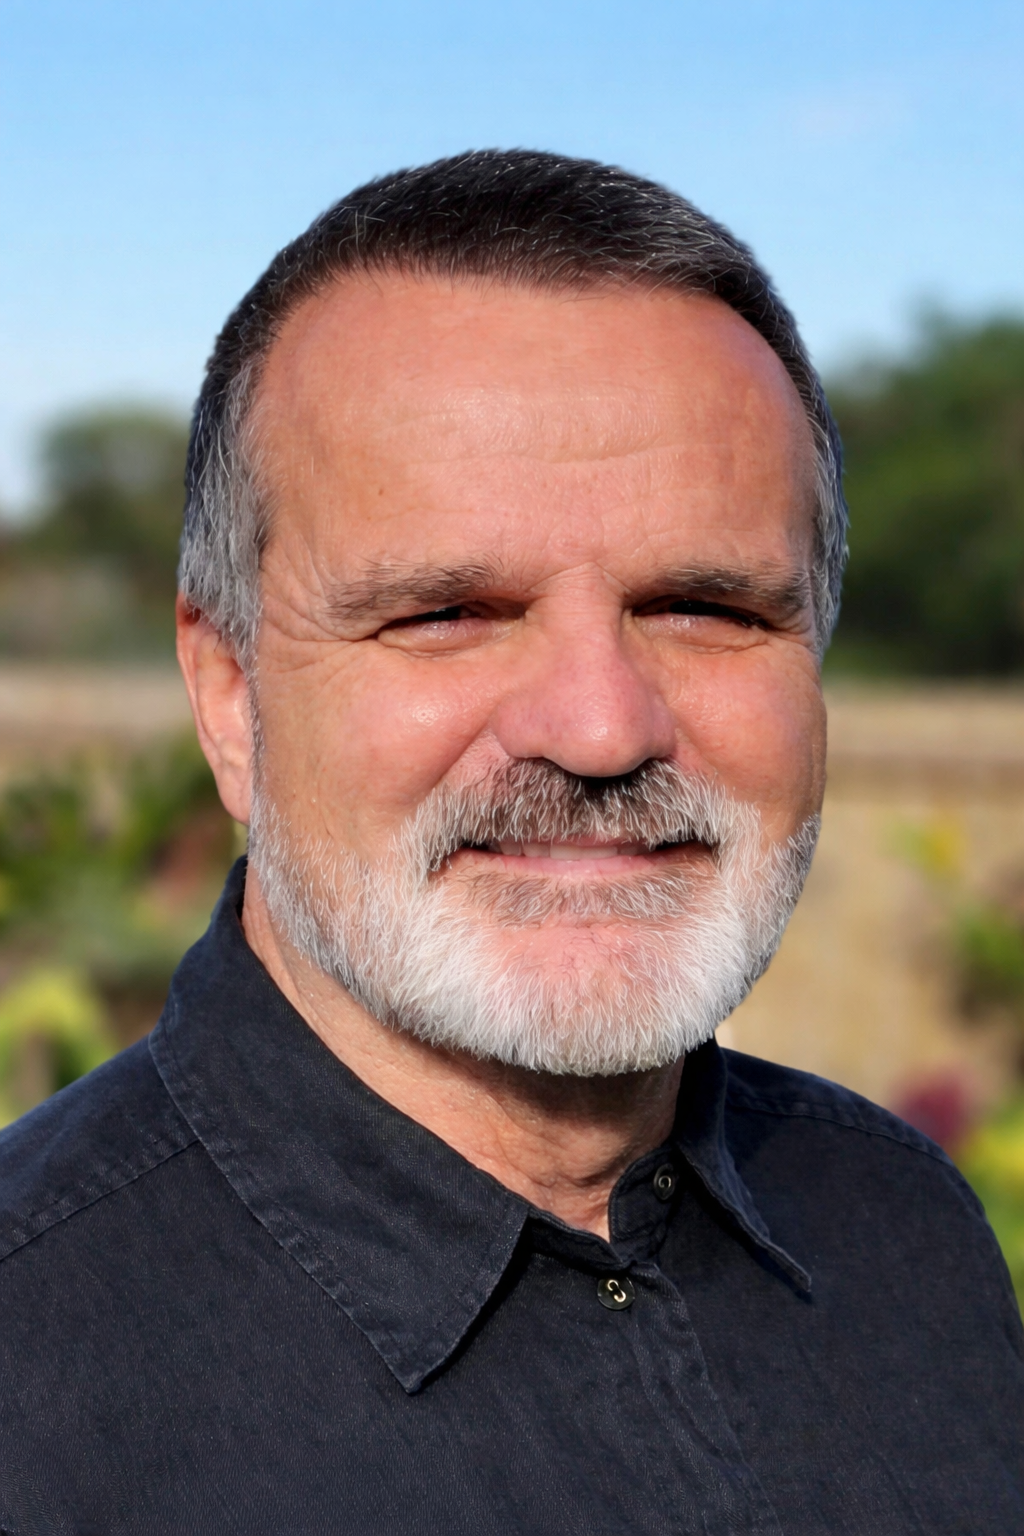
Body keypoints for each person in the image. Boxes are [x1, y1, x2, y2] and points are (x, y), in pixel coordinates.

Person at [1, 151, 1021, 1534]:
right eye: (445, 613)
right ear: (230, 695)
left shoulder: (906, 1233)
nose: (600, 729)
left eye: (706, 606)